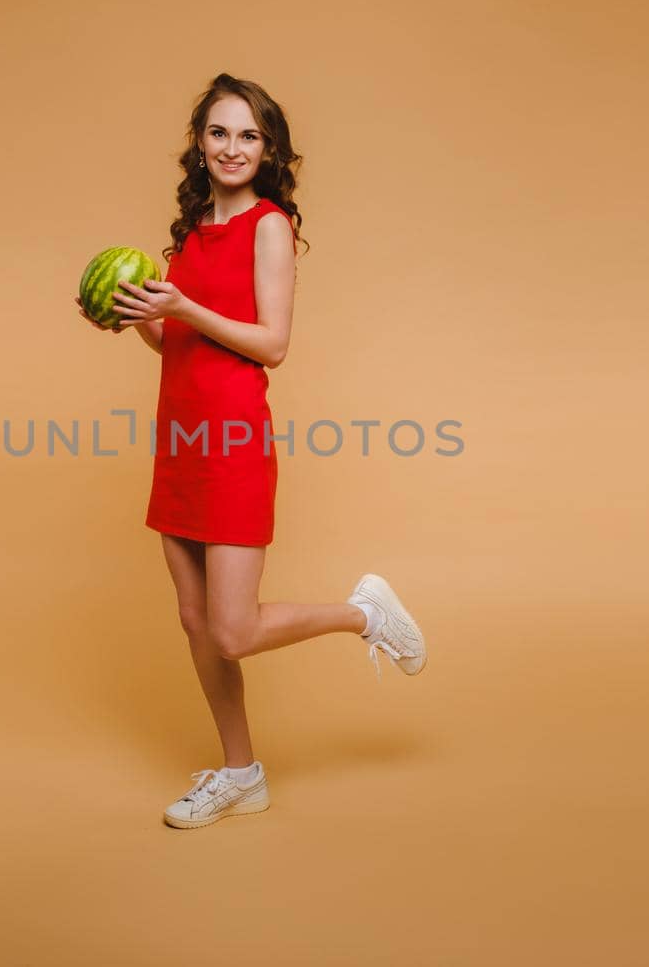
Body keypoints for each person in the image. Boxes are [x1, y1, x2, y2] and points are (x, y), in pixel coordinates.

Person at [74, 73, 427, 830]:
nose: (232, 148)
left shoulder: (268, 225)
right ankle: (242, 773)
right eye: (219, 133)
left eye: (248, 135)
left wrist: (183, 303)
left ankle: (362, 613)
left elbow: (271, 344)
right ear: (199, 144)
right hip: (179, 437)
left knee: (234, 628)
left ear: (267, 150)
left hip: (233, 438)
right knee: (198, 625)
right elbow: (177, 340)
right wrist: (132, 314)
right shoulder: (191, 227)